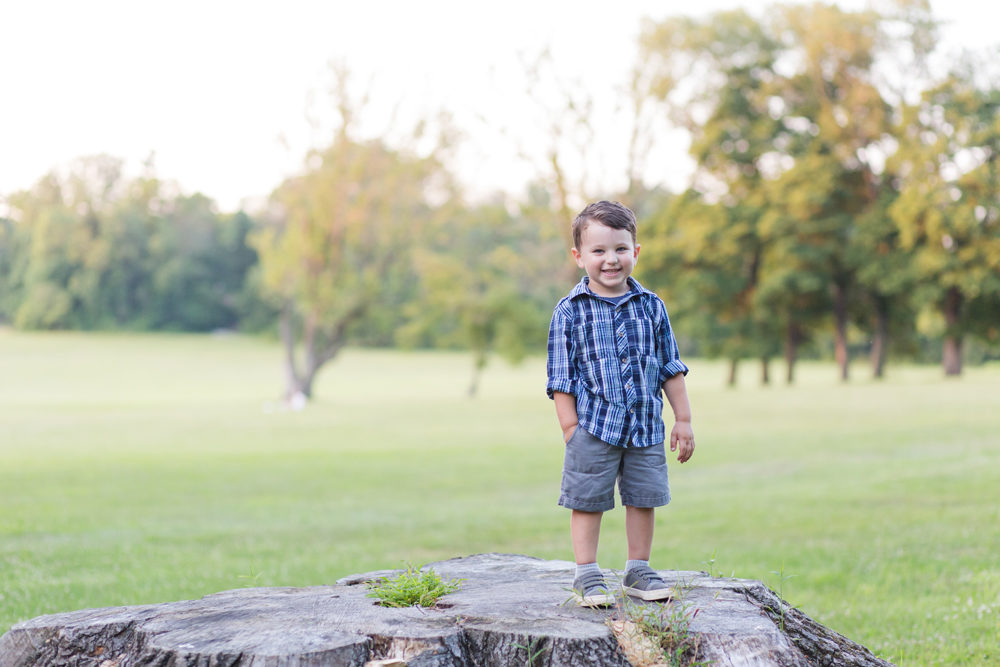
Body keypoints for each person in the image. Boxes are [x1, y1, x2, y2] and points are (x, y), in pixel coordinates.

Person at [546, 200, 695, 607]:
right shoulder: (569, 312)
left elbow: (670, 367)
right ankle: (587, 573)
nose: (610, 260)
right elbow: (561, 379)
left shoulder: (652, 307)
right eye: (598, 251)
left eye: (620, 249)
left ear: (635, 252)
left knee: (643, 497)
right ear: (579, 257)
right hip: (593, 426)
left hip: (646, 425)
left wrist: (682, 419)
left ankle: (638, 569)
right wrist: (570, 429)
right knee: (587, 499)